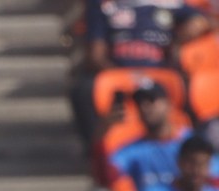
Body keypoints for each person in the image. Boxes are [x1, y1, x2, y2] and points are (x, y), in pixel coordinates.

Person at [68, 1, 209, 152]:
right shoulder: (103, 5)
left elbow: (205, 21)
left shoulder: (168, 3)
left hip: (161, 77)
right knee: (83, 90)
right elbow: (96, 56)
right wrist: (127, 77)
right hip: (119, 77)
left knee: (195, 89)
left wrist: (186, 32)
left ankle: (196, 153)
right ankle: (95, 151)